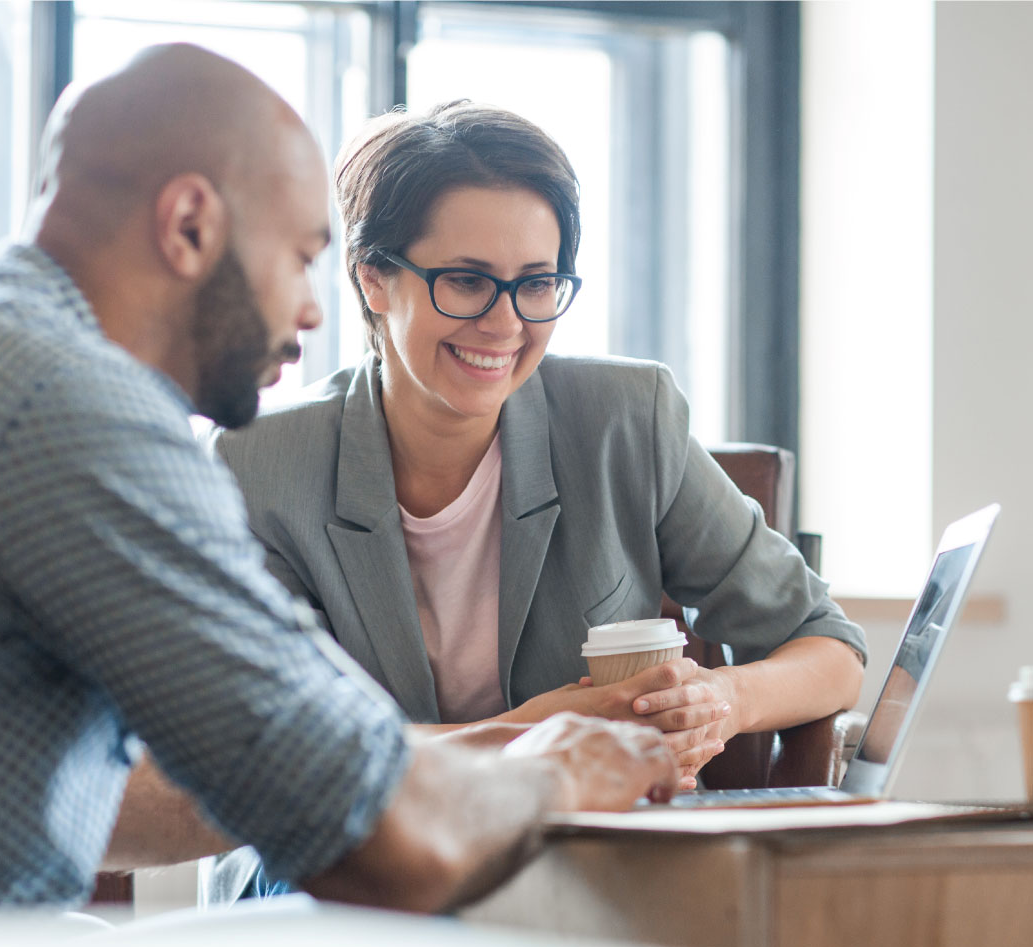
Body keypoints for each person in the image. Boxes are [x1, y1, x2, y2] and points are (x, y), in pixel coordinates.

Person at [0, 47, 700, 911]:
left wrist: (485, 746)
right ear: (190, 225)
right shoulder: (77, 410)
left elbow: (134, 801)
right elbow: (378, 845)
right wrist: (557, 770)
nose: (314, 309)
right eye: (299, 255)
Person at [208, 100, 868, 901]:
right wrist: (543, 732)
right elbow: (288, 757)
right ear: (374, 278)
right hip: (338, 859)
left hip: (575, 859)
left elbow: (828, 648)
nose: (505, 322)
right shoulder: (259, 466)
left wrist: (722, 700)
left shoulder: (626, 419)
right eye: (466, 281)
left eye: (537, 284)